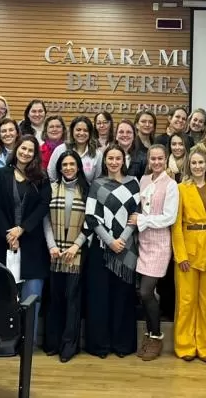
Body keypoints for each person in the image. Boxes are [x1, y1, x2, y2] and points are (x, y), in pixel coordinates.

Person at [84, 145, 140, 358]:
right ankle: (100, 345)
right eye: (110, 158)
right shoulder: (97, 184)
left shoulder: (134, 183)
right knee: (100, 298)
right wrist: (109, 241)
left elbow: (136, 214)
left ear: (123, 160)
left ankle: (122, 345)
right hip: (102, 249)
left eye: (118, 158)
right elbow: (91, 216)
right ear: (105, 161)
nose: (114, 162)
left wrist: (122, 240)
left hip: (126, 250)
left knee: (123, 298)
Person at [0, 135, 50, 315]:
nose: (26, 153)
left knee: (31, 303)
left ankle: (28, 343)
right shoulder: (2, 174)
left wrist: (21, 229)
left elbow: (43, 206)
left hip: (32, 247)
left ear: (35, 154)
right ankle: (5, 342)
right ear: (17, 149)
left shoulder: (42, 177)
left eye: (30, 150)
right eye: (23, 148)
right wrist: (10, 234)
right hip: (4, 244)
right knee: (3, 301)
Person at [172, 147, 206, 362]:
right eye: (194, 163)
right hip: (188, 250)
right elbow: (176, 224)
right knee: (186, 300)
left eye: (201, 162)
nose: (198, 166)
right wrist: (180, 255)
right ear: (188, 166)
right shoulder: (181, 188)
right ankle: (185, 345)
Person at [42, 149, 89, 363]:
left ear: (78, 167)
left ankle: (69, 345)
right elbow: (45, 220)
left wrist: (75, 246)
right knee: (55, 299)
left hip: (76, 253)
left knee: (72, 299)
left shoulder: (87, 190)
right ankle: (52, 342)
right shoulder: (51, 188)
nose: (68, 168)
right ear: (59, 168)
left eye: (72, 164)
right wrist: (52, 246)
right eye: (65, 165)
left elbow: (91, 222)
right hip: (54, 252)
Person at [135, 145, 178, 361]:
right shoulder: (143, 181)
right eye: (153, 159)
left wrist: (142, 220)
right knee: (145, 294)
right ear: (149, 160)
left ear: (166, 160)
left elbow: (169, 217)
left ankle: (157, 336)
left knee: (145, 291)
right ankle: (149, 333)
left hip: (160, 244)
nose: (157, 162)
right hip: (143, 242)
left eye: (161, 158)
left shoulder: (171, 185)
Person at [48, 116, 101, 183]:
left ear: (90, 133)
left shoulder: (97, 154)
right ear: (72, 131)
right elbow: (52, 176)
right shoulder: (60, 150)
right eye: (78, 130)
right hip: (61, 192)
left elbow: (98, 181)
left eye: (85, 130)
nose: (82, 133)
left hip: (87, 192)